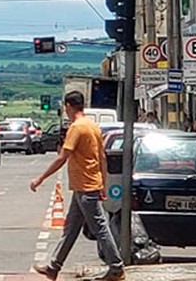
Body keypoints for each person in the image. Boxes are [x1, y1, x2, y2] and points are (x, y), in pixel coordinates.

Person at [31, 91, 125, 281]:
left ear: (68, 106)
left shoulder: (77, 128)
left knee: (100, 228)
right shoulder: (93, 126)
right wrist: (103, 185)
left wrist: (40, 178)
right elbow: (103, 158)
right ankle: (53, 267)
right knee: (71, 228)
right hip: (87, 184)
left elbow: (62, 158)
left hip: (85, 186)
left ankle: (116, 267)